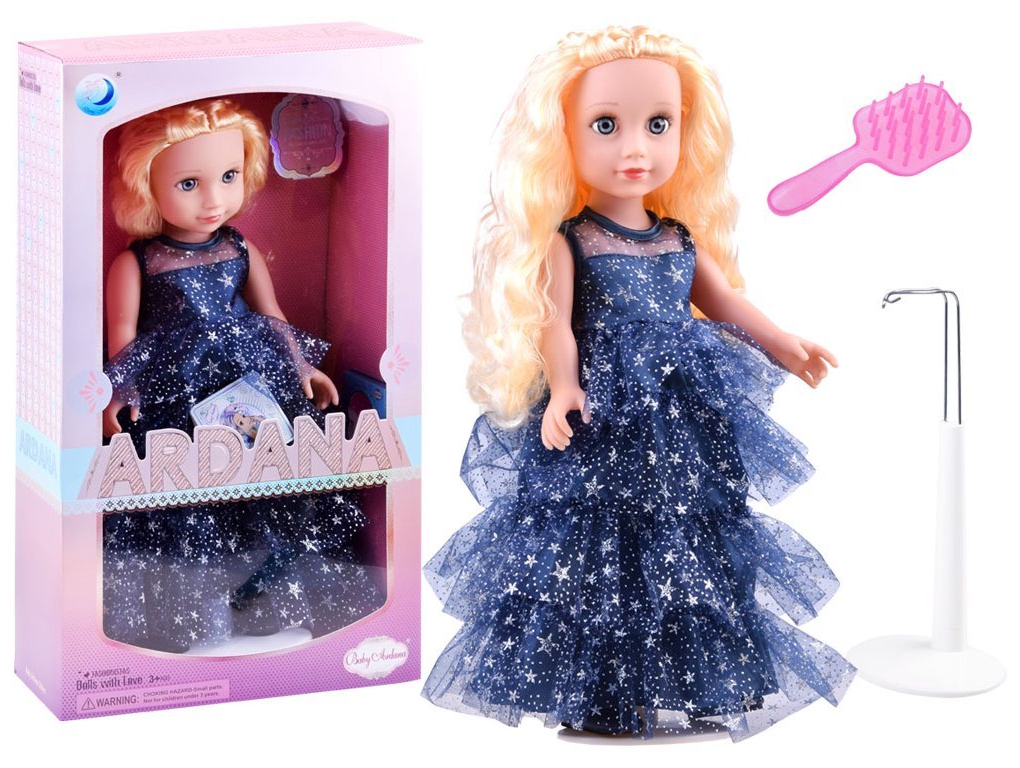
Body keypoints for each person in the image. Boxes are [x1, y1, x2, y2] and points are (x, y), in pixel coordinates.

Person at [423, 26, 854, 739]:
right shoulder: (569, 240)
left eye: (659, 125)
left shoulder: (679, 237)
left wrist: (782, 342)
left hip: (684, 421)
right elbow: (555, 325)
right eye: (606, 125)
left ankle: (696, 680)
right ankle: (601, 693)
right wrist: (564, 387)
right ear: (563, 137)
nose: (636, 149)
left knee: (691, 542)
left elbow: (726, 303)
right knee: (597, 550)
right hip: (606, 417)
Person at [101, 99, 380, 653]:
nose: (214, 199)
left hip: (251, 383)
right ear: (145, 185)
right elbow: (123, 337)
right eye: (189, 184)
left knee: (270, 480)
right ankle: (198, 613)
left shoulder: (239, 247)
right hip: (176, 393)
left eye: (229, 177)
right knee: (191, 492)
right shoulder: (138, 263)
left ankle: (274, 602)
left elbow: (272, 315)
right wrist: (119, 393)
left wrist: (303, 366)